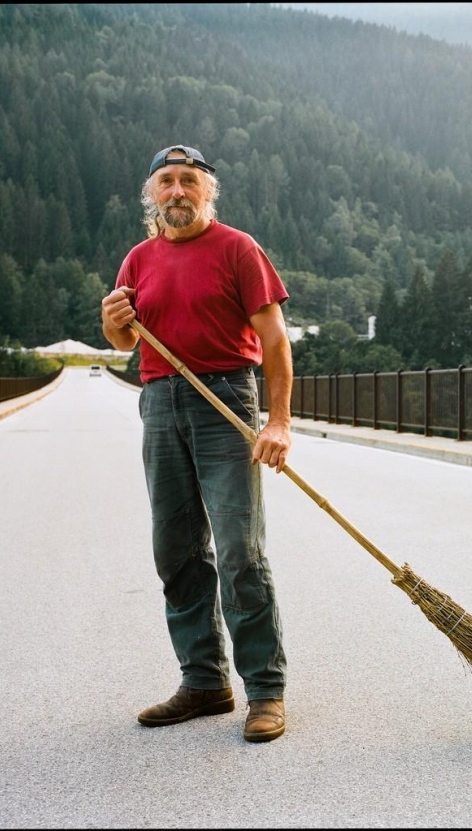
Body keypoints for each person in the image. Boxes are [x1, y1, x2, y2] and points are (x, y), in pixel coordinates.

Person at [101, 145, 292, 742]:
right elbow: (122, 343)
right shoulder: (138, 258)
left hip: (225, 399)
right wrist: (112, 319)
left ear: (208, 192)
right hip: (160, 401)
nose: (177, 191)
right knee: (176, 549)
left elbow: (276, 342)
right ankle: (204, 682)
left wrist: (279, 422)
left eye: (189, 181)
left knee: (240, 551)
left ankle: (265, 690)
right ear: (152, 195)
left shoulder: (238, 248)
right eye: (166, 182)